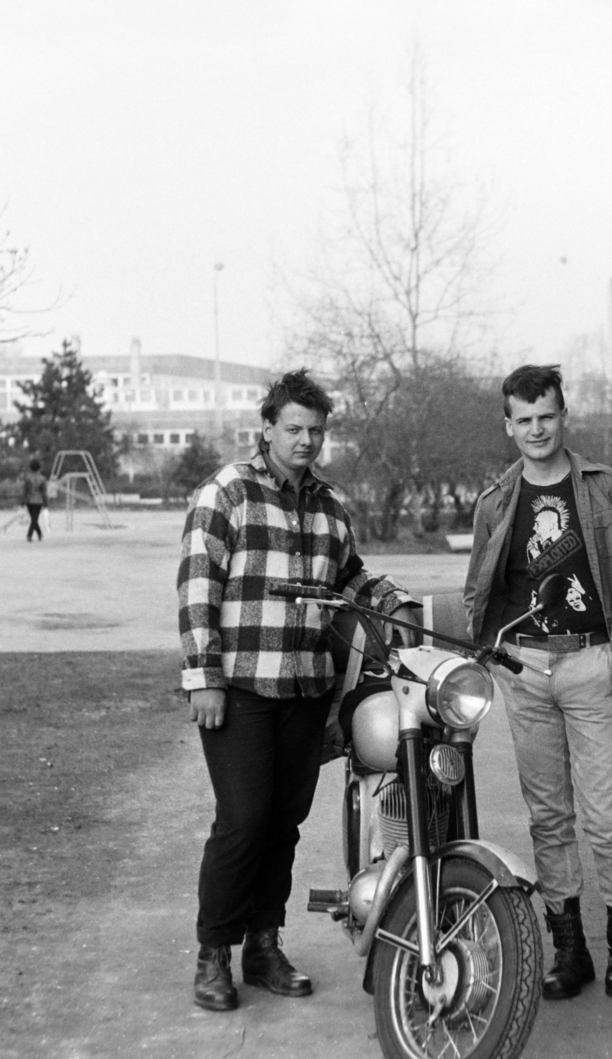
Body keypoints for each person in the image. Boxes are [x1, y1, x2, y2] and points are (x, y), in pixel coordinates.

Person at [178, 369, 416, 1013]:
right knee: (244, 820)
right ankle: (212, 957)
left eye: (316, 431)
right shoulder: (227, 492)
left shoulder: (332, 506)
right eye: (294, 429)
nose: (306, 440)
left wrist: (403, 610)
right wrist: (204, 677)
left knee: (284, 823)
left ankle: (263, 947)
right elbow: (198, 586)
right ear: (268, 428)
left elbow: (352, 580)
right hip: (242, 689)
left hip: (306, 689)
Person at [463, 364, 612, 1000]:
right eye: (523, 420)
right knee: (548, 818)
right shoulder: (496, 502)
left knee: (607, 819)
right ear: (508, 426)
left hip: (591, 665)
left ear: (563, 414)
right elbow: (478, 590)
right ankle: (567, 950)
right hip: (526, 672)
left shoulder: (605, 490)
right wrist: (496, 654)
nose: (536, 429)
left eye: (546, 416)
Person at [21, 459, 48, 542]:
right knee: (34, 519)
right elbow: (44, 492)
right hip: (38, 501)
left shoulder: (28, 478)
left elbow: (25, 490)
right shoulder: (42, 479)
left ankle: (31, 535)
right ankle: (37, 534)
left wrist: (22, 500)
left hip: (29, 500)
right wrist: (46, 502)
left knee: (34, 518)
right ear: (39, 468)